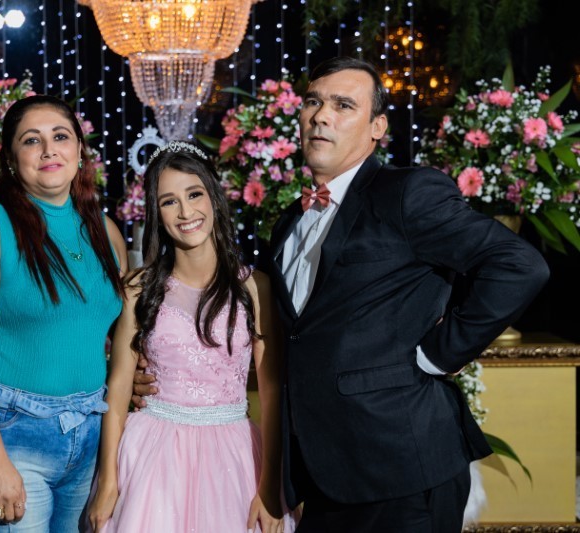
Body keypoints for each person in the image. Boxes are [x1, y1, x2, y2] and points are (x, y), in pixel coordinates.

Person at [135, 57, 550, 532]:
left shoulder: (407, 193)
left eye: (343, 105)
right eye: (313, 102)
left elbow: (520, 265)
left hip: (402, 467)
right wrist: (162, 368)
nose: (321, 116)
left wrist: (438, 353)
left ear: (377, 127)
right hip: (321, 477)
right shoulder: (288, 224)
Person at [0, 94, 127, 532]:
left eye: (60, 136)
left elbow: (124, 333)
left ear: (79, 150)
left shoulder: (105, 230)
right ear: (10, 159)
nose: (48, 150)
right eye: (31, 140)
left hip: (91, 433)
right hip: (13, 435)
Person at [86, 142, 293, 533]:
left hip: (233, 458)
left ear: (213, 197)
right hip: (154, 455)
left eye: (194, 194)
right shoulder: (139, 289)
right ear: (156, 213)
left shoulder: (256, 288)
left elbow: (272, 395)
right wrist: (109, 482)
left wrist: (269, 487)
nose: (185, 212)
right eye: (169, 201)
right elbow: (118, 390)